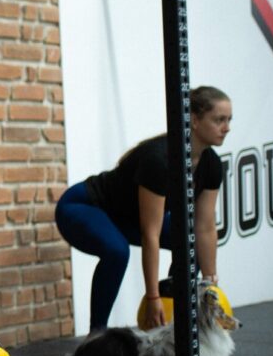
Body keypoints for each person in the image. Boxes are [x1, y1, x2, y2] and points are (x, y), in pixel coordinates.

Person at [54, 86, 232, 332]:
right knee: (117, 251)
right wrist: (152, 297)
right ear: (194, 120)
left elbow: (204, 227)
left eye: (229, 120)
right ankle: (96, 337)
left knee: (188, 240)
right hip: (83, 206)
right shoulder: (159, 160)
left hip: (127, 219)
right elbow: (151, 233)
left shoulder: (211, 164)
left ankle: (175, 323)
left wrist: (210, 285)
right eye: (219, 120)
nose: (227, 127)